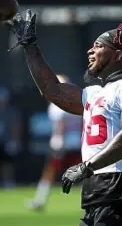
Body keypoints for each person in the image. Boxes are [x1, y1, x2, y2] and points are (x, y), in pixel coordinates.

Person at [5, 10, 122, 226]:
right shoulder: (94, 93)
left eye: (98, 46)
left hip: (121, 186)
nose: (90, 50)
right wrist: (29, 45)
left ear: (118, 54)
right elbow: (52, 90)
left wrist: (87, 166)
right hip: (98, 191)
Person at [27, 74, 82, 210]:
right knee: (83, 174)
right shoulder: (77, 101)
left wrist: (59, 142)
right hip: (77, 142)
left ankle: (40, 200)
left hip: (63, 144)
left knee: (50, 172)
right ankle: (93, 201)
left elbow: (60, 126)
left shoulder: (58, 104)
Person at [0, 87, 22, 189]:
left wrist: (14, 140)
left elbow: (16, 126)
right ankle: (1, 181)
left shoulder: (11, 112)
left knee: (8, 163)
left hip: (7, 141)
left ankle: (9, 182)